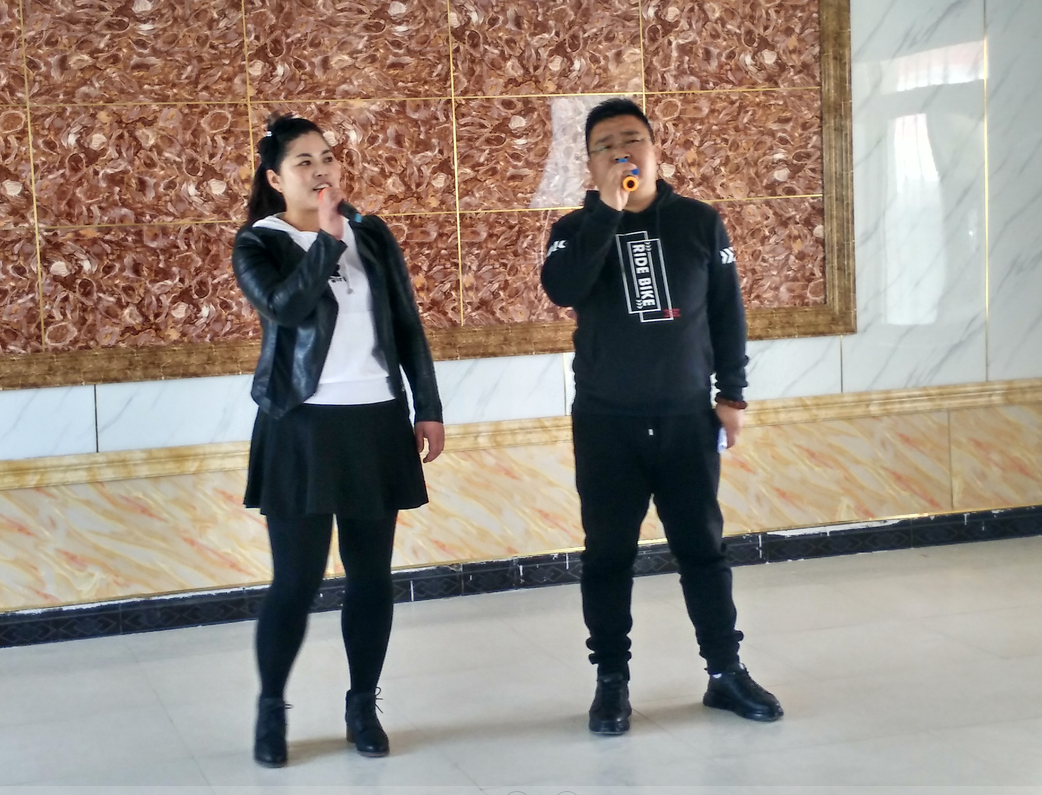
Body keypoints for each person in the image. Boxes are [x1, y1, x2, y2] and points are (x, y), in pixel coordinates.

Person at [541, 98, 783, 735]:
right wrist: (607, 213)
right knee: (608, 555)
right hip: (606, 421)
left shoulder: (699, 222)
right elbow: (563, 288)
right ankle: (611, 681)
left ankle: (725, 672)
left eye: (632, 139)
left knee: (702, 548)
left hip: (685, 417)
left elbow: (728, 314)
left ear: (655, 150)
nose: (621, 152)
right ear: (590, 162)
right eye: (605, 145)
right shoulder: (573, 228)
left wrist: (732, 396)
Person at [232, 113, 445, 766]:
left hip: (375, 419)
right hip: (300, 425)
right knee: (296, 581)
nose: (321, 169)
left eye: (327, 157)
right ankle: (272, 707)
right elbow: (286, 307)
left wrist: (428, 406)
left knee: (371, 577)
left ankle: (361, 705)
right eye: (304, 161)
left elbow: (406, 323)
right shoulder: (258, 242)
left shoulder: (371, 234)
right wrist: (325, 240)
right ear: (276, 179)